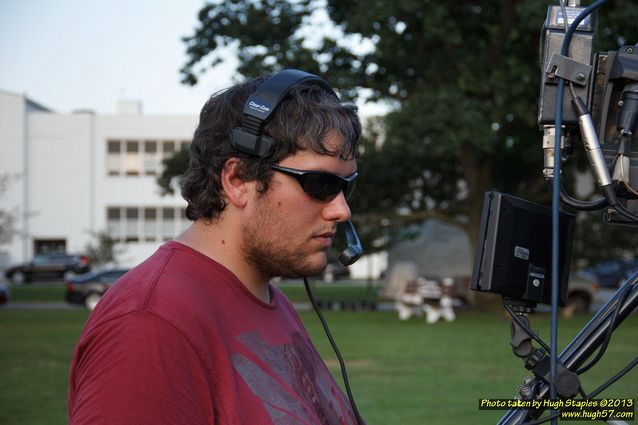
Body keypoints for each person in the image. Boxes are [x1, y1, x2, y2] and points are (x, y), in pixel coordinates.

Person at [68, 70, 363, 424]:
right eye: (320, 183)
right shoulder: (151, 327)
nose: (341, 210)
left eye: (346, 186)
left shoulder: (268, 299)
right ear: (238, 180)